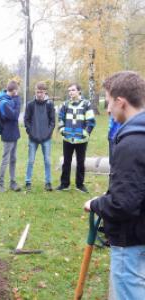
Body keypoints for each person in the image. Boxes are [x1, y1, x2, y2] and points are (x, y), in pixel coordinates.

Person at [84, 71, 145, 299]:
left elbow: (122, 205)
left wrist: (96, 204)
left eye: (109, 102)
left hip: (130, 239)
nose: (108, 109)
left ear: (121, 102)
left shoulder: (131, 143)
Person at [56, 83, 96, 193]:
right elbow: (60, 118)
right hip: (67, 138)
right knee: (66, 161)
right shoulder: (65, 104)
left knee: (80, 162)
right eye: (69, 90)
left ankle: (80, 185)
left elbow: (91, 121)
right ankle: (65, 184)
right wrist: (62, 130)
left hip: (81, 139)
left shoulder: (86, 104)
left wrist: (86, 133)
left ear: (79, 91)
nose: (70, 92)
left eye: (73, 90)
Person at [24, 82, 55, 191]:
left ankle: (48, 182)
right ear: (35, 91)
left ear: (45, 92)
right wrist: (30, 132)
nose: (39, 94)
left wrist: (48, 133)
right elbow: (26, 120)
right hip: (33, 138)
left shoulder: (50, 104)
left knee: (47, 160)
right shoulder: (30, 104)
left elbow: (52, 122)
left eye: (41, 92)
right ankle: (28, 181)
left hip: (46, 138)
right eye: (37, 92)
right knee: (31, 160)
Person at [0, 80, 21, 192]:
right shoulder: (4, 102)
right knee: (5, 159)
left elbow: (15, 114)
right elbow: (15, 116)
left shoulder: (11, 99)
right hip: (7, 133)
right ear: (14, 90)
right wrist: (17, 101)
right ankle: (0, 184)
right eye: (17, 90)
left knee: (13, 159)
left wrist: (16, 102)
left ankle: (12, 182)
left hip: (14, 133)